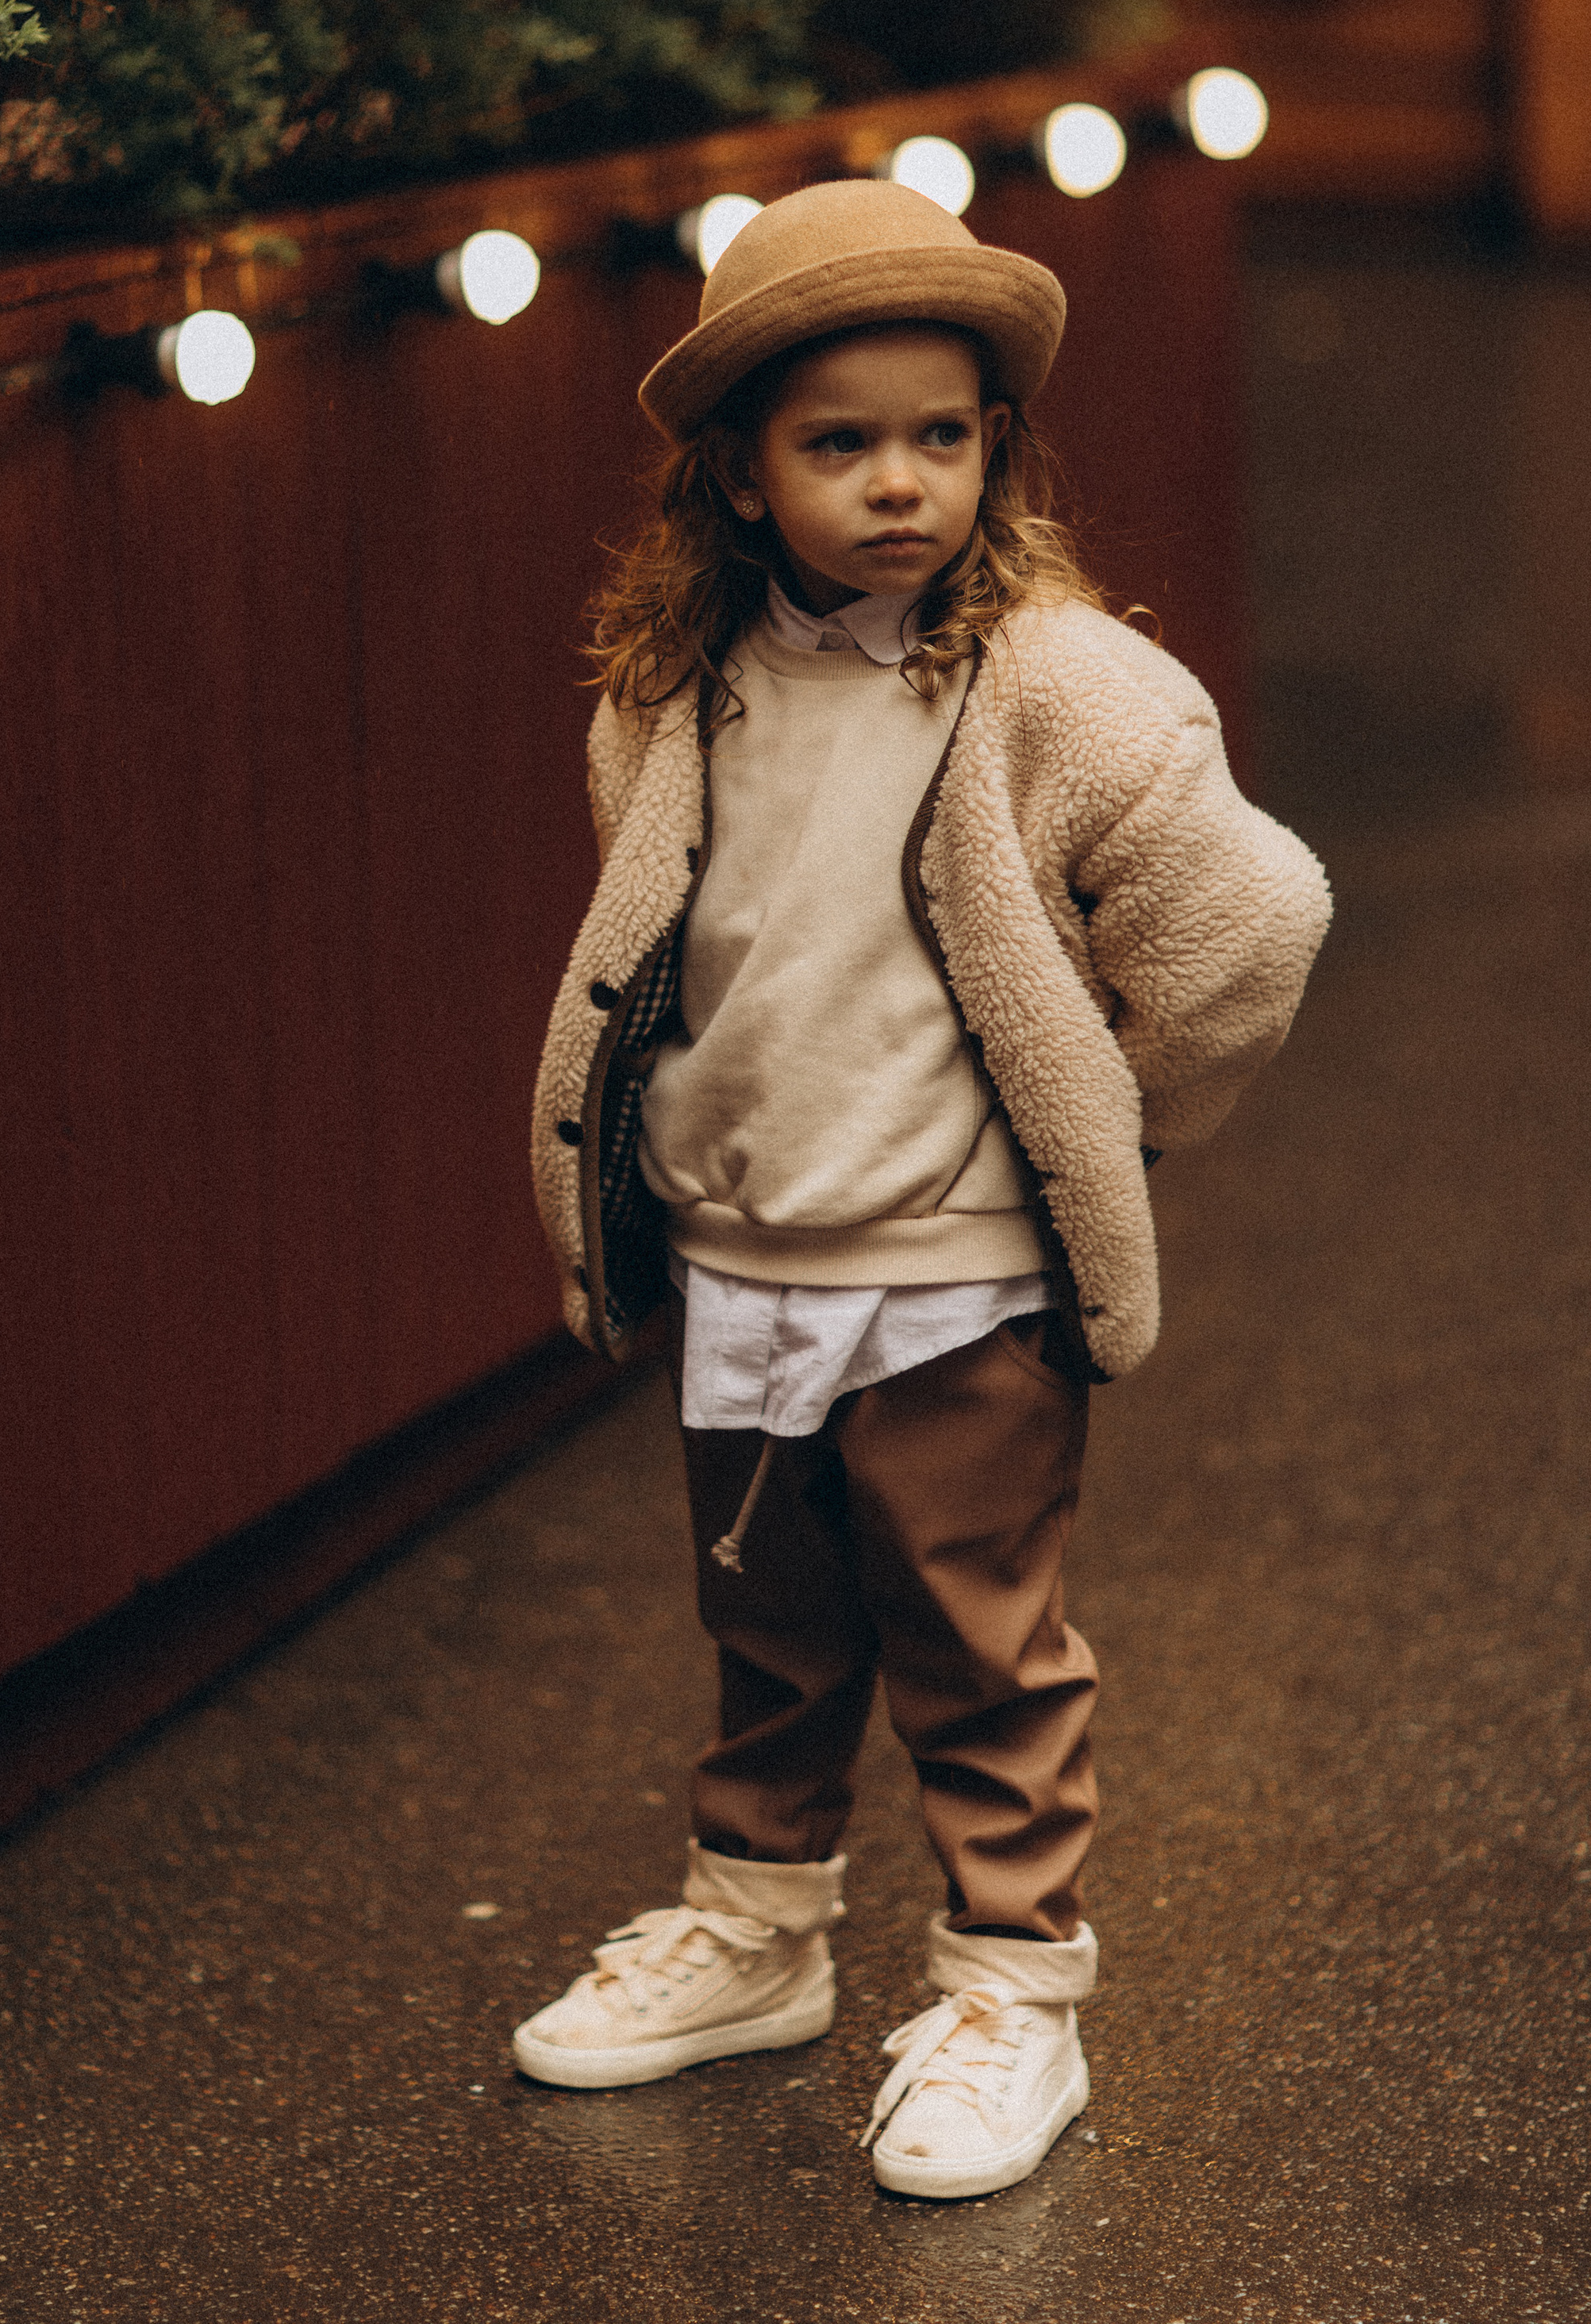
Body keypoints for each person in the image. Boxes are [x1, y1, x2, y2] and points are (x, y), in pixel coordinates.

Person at [517, 176, 1331, 2199]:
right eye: (837, 443)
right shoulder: (671, 698)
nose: (898, 485)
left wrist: (1095, 1133)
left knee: (978, 1639)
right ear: (731, 475)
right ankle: (759, 1932)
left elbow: (1249, 925)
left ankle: (1009, 1992)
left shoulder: (1053, 691)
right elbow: (676, 957)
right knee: (769, 1627)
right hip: (739, 1253)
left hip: (958, 1276)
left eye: (942, 439)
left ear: (996, 452)